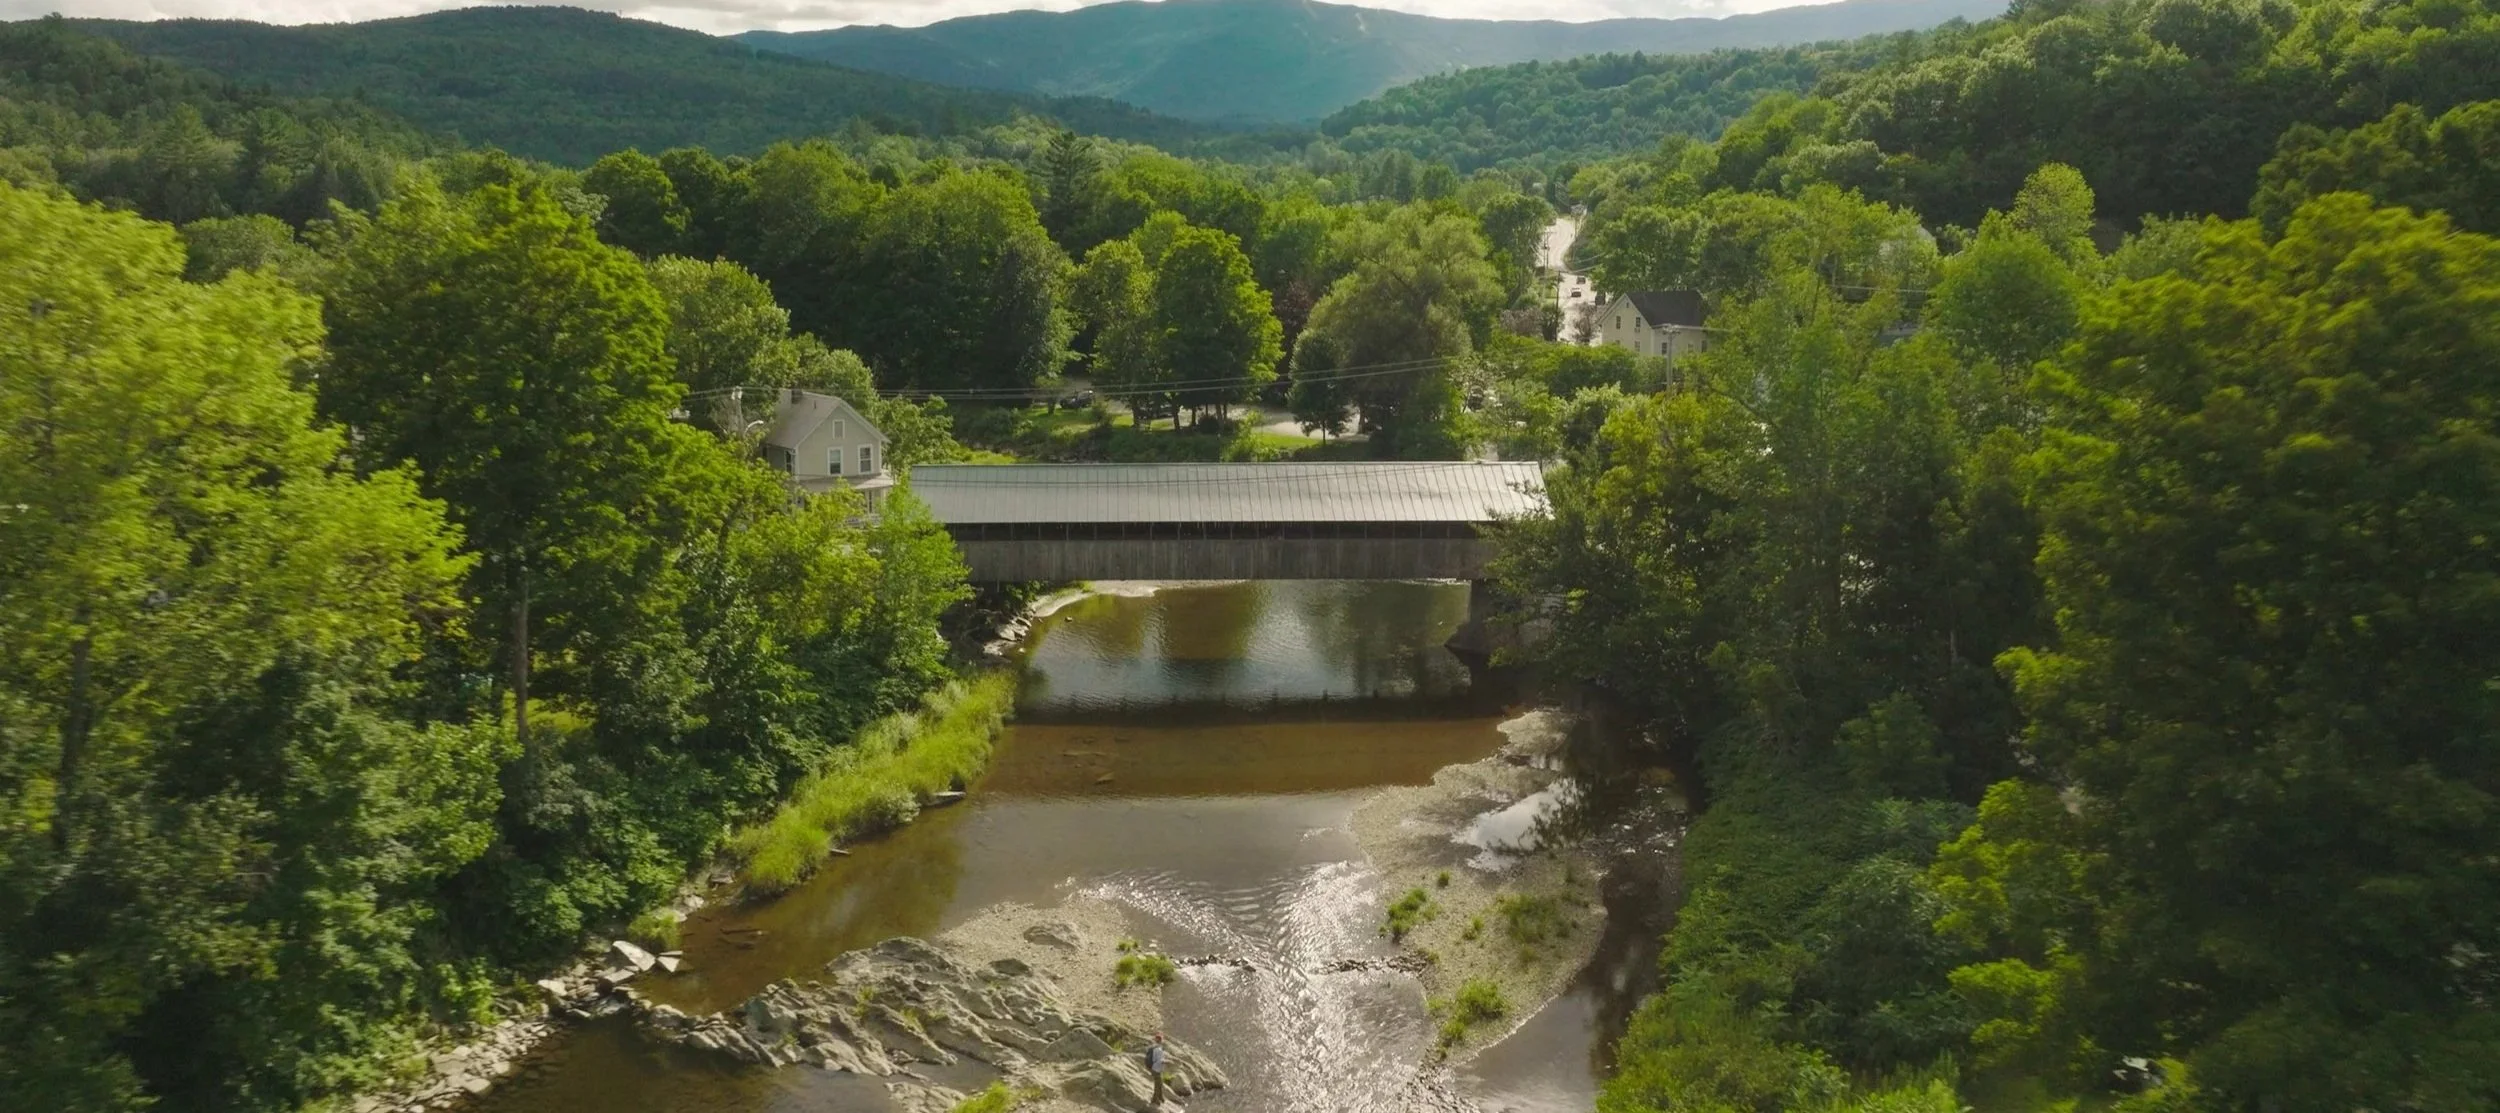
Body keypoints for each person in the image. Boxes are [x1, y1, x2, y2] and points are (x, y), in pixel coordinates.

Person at [1144, 1032, 1168, 1105]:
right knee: (1157, 1084)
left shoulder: (1153, 1047)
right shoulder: (1159, 1050)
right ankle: (1155, 1099)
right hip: (1156, 1069)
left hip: (1153, 1068)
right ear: (1161, 1040)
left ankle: (1160, 1096)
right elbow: (1158, 1060)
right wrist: (1167, 1061)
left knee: (1160, 1083)